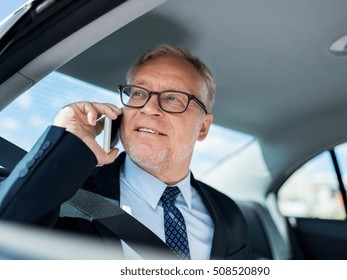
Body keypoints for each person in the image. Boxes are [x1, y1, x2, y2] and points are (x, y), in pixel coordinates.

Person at [0, 44, 250, 260]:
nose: (149, 108)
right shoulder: (64, 192)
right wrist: (65, 143)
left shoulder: (227, 213)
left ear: (203, 127)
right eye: (139, 93)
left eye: (173, 98)